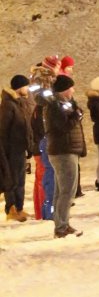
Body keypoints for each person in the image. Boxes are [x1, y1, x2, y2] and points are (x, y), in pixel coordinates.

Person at [45, 74, 86, 238]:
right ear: (64, 90)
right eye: (71, 87)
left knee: (61, 191)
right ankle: (61, 226)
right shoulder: (54, 106)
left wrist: (75, 111)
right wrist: (76, 116)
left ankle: (62, 224)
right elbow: (62, 127)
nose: (73, 90)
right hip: (63, 151)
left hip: (67, 150)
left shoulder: (65, 104)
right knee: (67, 190)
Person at [1, 74, 34, 221]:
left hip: (20, 148)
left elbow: (26, 126)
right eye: (26, 86)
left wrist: (29, 145)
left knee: (21, 180)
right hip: (11, 149)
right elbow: (3, 129)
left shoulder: (20, 103)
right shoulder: (8, 105)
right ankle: (11, 209)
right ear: (19, 87)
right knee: (12, 180)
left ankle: (19, 208)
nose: (27, 89)